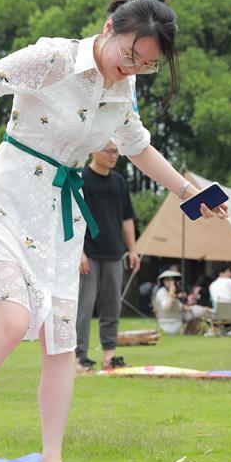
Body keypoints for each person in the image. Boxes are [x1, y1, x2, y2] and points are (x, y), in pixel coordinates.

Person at [0, 0, 226, 462]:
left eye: (145, 66)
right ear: (109, 30)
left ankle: (52, 461)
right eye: (129, 55)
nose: (132, 70)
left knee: (62, 344)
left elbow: (140, 148)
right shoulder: (54, 58)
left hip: (61, 220)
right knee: (13, 320)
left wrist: (191, 193)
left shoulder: (122, 92)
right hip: (8, 199)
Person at [75, 141, 141, 372]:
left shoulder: (119, 182)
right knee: (84, 307)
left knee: (112, 307)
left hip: (114, 253)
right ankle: (79, 358)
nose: (114, 156)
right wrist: (78, 252)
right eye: (109, 151)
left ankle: (109, 356)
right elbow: (71, 216)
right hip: (88, 255)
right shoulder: (81, 178)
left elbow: (127, 217)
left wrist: (133, 249)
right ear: (94, 149)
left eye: (117, 152)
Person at [152, 269, 208, 334]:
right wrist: (172, 293)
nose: (171, 282)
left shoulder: (168, 292)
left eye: (172, 280)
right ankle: (192, 330)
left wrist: (176, 295)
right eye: (168, 280)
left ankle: (190, 331)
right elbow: (167, 307)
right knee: (200, 311)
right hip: (174, 318)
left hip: (177, 314)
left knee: (200, 309)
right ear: (163, 281)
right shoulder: (162, 292)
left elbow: (179, 306)